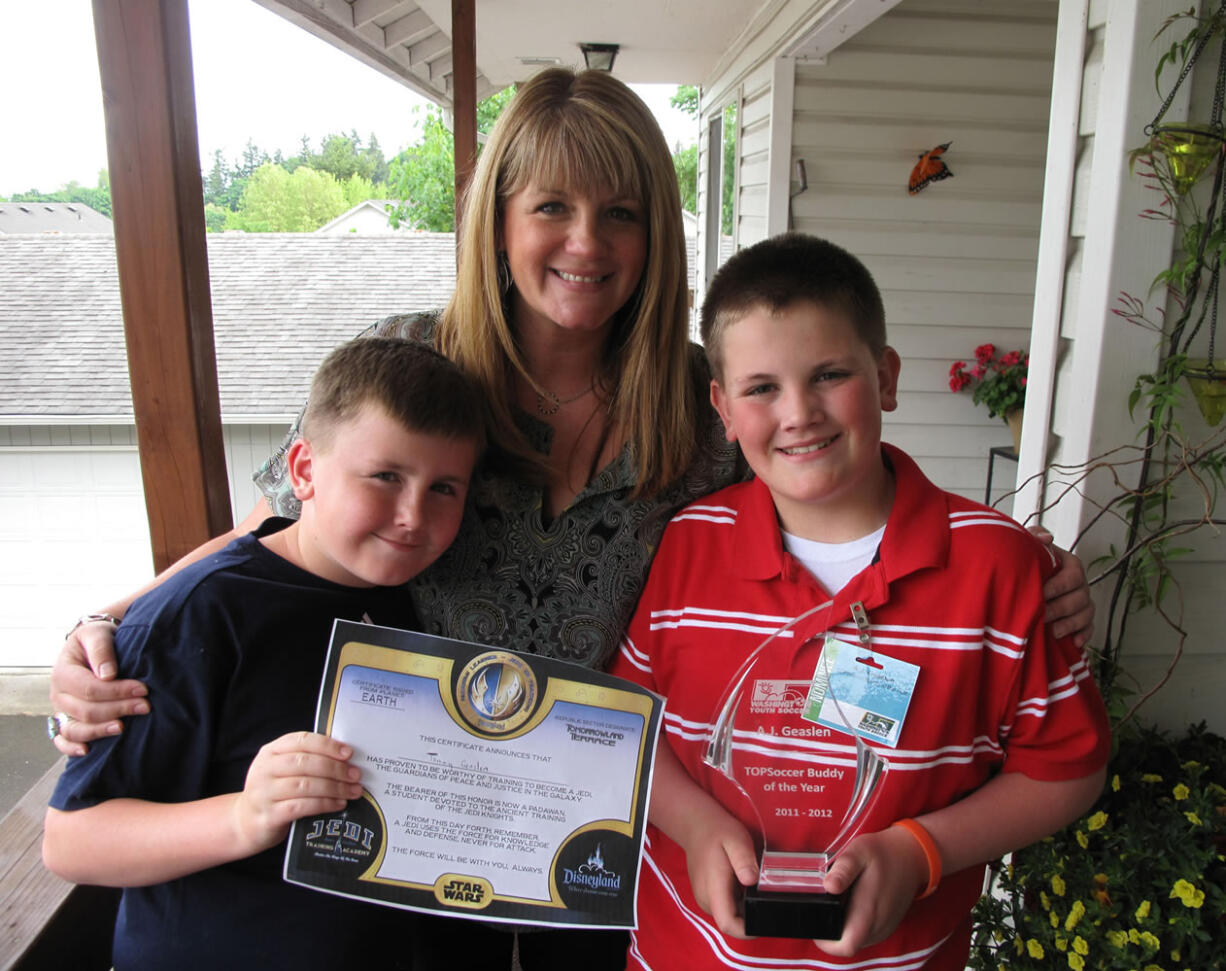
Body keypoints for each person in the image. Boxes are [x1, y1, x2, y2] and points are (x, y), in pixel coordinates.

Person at [45, 69, 1096, 970]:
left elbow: (834, 495)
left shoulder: (706, 405)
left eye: (620, 212)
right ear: (498, 216)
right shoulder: (414, 356)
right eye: (550, 206)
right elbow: (276, 526)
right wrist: (111, 626)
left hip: (610, 828)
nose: (584, 242)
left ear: (654, 232)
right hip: (406, 810)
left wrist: (1025, 563)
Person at [610, 233, 1111, 971]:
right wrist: (692, 823)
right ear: (722, 406)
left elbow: (1066, 766)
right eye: (761, 388)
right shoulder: (688, 546)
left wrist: (922, 850)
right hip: (686, 953)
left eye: (829, 375)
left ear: (886, 376)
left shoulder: (997, 567)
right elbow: (628, 724)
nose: (798, 412)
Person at [41, 337, 485, 969]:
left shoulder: (416, 603)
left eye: (444, 488)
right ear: (302, 471)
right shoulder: (200, 611)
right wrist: (245, 816)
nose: (412, 515)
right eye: (385, 476)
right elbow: (71, 841)